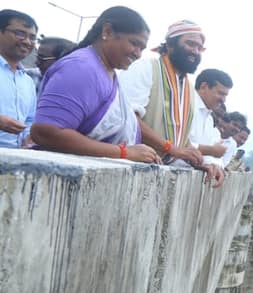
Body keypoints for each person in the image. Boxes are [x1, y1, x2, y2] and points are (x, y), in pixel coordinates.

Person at [30, 6, 160, 163]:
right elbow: (46, 132)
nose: (138, 53)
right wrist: (124, 152)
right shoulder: (81, 68)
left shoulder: (107, 72)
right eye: (134, 43)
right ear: (107, 32)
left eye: (142, 48)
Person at [119, 20, 224, 186]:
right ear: (170, 44)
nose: (195, 51)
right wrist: (173, 149)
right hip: (134, 169)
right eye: (190, 44)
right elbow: (129, 118)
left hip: (164, 174)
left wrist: (197, 160)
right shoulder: (145, 68)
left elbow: (180, 137)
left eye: (199, 47)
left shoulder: (188, 86)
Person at [0, 9, 37, 148]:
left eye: (32, 37)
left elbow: (29, 120)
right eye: (20, 33)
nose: (27, 41)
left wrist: (28, 138)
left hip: (13, 161)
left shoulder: (27, 82)